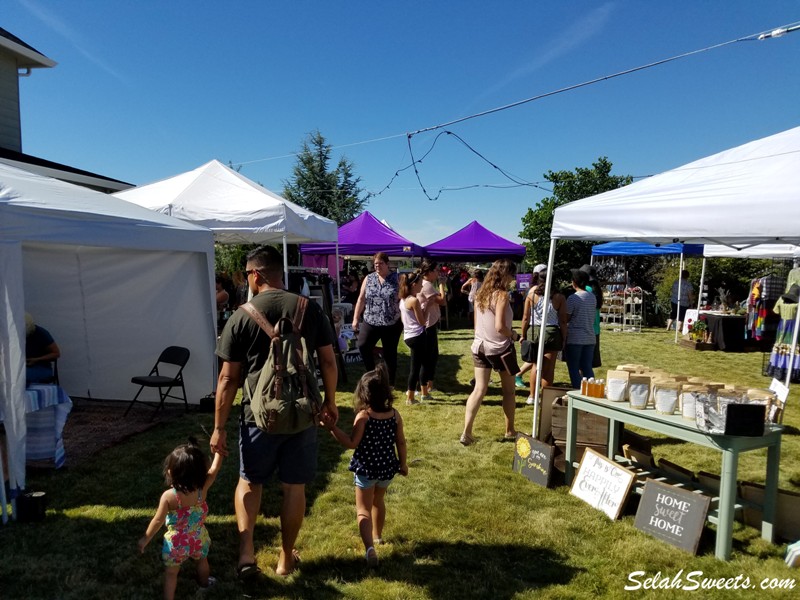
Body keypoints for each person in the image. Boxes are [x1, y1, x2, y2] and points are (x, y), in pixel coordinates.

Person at [211, 245, 338, 580]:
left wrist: (219, 427)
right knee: (294, 487)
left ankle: (247, 553)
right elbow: (328, 361)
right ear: (280, 273)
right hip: (301, 412)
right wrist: (330, 402)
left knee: (250, 482)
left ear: (255, 275)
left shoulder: (241, 316)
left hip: (258, 417)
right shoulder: (309, 309)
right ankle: (284, 559)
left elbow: (227, 378)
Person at [320, 364, 408, 568]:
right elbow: (401, 442)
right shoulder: (395, 415)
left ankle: (370, 549)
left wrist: (332, 428)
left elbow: (351, 443)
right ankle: (377, 536)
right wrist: (402, 464)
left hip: (367, 470)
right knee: (379, 501)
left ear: (363, 394)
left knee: (363, 510)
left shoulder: (364, 417)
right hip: (387, 468)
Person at [138, 437, 223, 600]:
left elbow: (157, 520)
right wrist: (218, 452)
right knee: (202, 561)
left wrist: (145, 539)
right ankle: (204, 584)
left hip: (176, 542)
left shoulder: (169, 497)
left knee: (171, 573)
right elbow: (215, 468)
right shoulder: (202, 489)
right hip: (198, 536)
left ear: (171, 472)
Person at [460, 258, 521, 446]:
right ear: (505, 274)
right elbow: (501, 326)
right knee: (509, 392)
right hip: (500, 348)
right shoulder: (502, 295)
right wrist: (515, 335)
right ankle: (510, 430)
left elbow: (478, 324)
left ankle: (466, 432)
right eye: (512, 274)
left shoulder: (480, 294)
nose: (513, 278)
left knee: (479, 389)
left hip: (480, 347)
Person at [352, 252, 403, 387]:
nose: (377, 266)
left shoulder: (397, 278)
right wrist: (355, 318)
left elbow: (405, 297)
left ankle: (390, 383)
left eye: (380, 263)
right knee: (362, 345)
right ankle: (372, 375)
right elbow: (361, 299)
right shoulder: (368, 279)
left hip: (391, 322)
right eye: (375, 264)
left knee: (390, 353)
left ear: (387, 264)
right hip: (371, 320)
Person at [519, 266, 568, 404]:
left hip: (534, 331)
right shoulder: (559, 297)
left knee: (535, 365)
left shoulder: (531, 295)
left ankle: (532, 396)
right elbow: (563, 320)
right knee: (548, 368)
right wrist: (564, 337)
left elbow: (525, 318)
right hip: (551, 331)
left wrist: (523, 335)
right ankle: (546, 398)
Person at [417, 259, 446, 399]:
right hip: (428, 325)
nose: (438, 273)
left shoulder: (425, 284)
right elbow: (443, 301)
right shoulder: (427, 285)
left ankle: (428, 384)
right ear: (429, 272)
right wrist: (442, 285)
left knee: (431, 356)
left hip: (428, 324)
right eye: (436, 270)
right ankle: (425, 387)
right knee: (429, 357)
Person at [398, 270, 427, 405]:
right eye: (420, 284)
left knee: (417, 366)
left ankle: (419, 393)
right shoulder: (414, 300)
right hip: (417, 335)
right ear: (414, 284)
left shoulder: (403, 299)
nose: (421, 286)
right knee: (416, 368)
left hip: (409, 335)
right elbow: (422, 321)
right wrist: (426, 307)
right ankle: (410, 397)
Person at [564, 269, 596, 389]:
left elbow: (566, 317)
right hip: (589, 337)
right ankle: (592, 390)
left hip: (575, 337)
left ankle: (578, 391)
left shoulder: (573, 298)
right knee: (587, 367)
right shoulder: (592, 297)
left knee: (574, 367)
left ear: (574, 282)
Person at [25, 313, 61, 384]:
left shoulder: (41, 333)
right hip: (23, 367)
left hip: (41, 367)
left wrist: (37, 360)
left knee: (21, 376)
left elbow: (56, 353)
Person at [580, 264, 603, 369]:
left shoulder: (586, 289)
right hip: (595, 329)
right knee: (589, 361)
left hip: (585, 328)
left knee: (581, 361)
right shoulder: (597, 289)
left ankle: (581, 383)